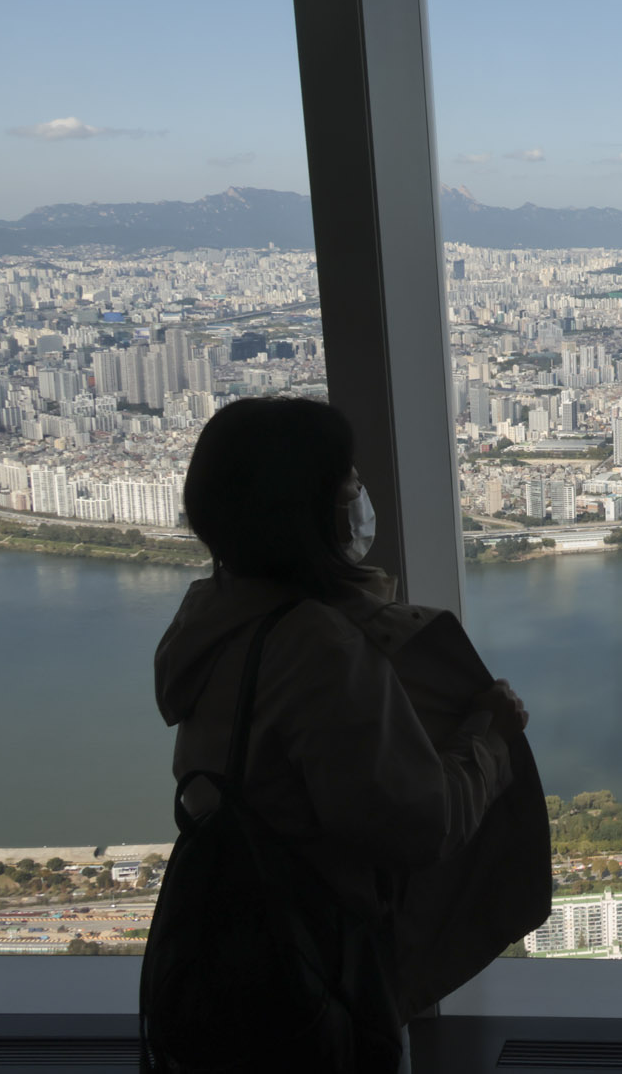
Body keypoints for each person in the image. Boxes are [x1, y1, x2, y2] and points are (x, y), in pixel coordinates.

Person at [152, 397, 539, 1070]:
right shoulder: (317, 649)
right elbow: (423, 822)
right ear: (313, 512)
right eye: (349, 482)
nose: (360, 494)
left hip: (221, 955)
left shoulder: (207, 620)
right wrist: (491, 736)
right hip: (316, 981)